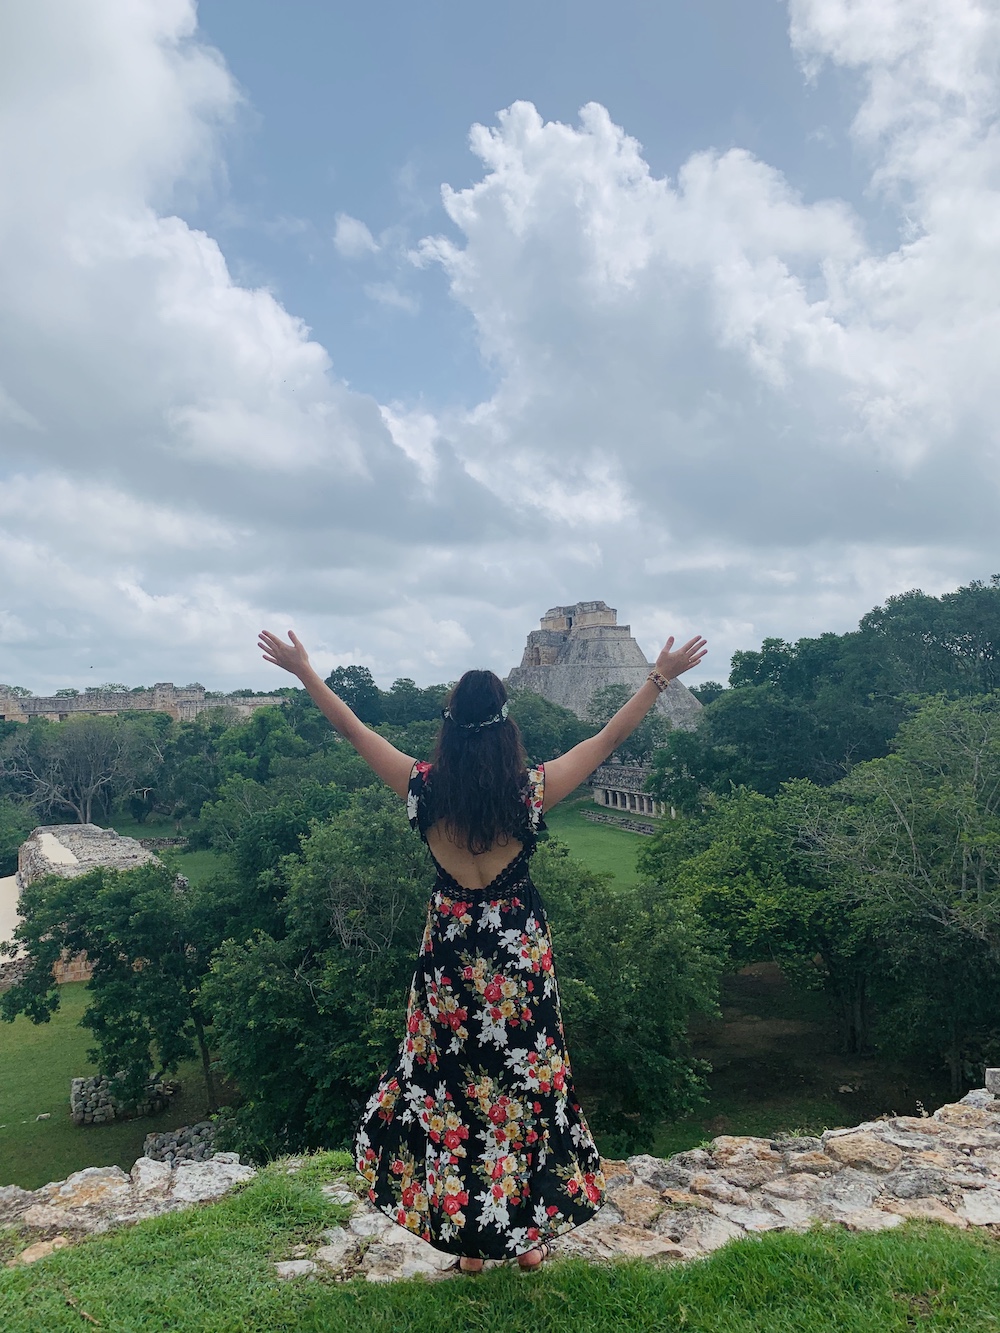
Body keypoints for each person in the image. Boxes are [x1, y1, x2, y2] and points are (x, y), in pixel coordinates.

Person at [258, 627, 707, 1272]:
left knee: (453, 1093)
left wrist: (306, 673)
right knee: (524, 1090)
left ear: (448, 725)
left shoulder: (425, 788)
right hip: (516, 956)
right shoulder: (529, 790)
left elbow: (356, 731)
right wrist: (658, 678)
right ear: (506, 728)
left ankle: (470, 1245)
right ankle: (529, 1241)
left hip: (449, 957)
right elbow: (608, 740)